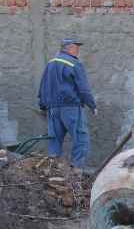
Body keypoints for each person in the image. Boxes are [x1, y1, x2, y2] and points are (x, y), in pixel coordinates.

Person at [38, 38, 97, 171]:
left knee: (54, 140)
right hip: (70, 107)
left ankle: (52, 170)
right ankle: (76, 171)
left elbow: (43, 86)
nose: (78, 51)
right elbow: (83, 88)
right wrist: (92, 105)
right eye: (76, 47)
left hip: (52, 109)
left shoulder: (50, 64)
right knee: (81, 139)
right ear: (69, 48)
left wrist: (42, 105)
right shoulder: (73, 63)